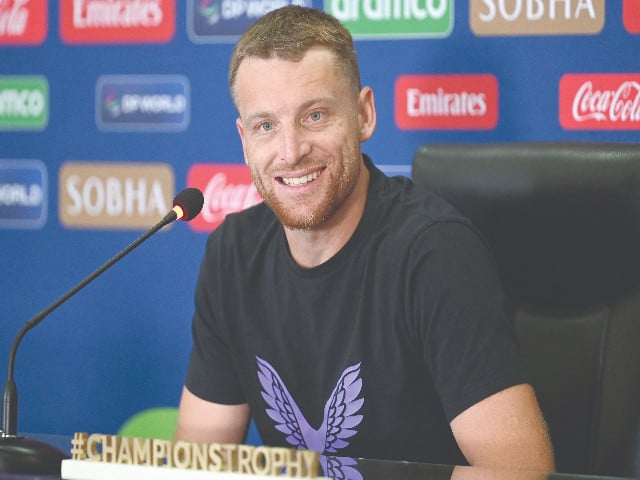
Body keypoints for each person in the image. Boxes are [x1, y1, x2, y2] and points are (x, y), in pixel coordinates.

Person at [176, 5, 555, 472]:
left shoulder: (435, 252)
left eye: (315, 116)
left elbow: (522, 472)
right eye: (266, 126)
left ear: (363, 115)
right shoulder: (232, 253)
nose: (291, 152)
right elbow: (194, 465)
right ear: (244, 139)